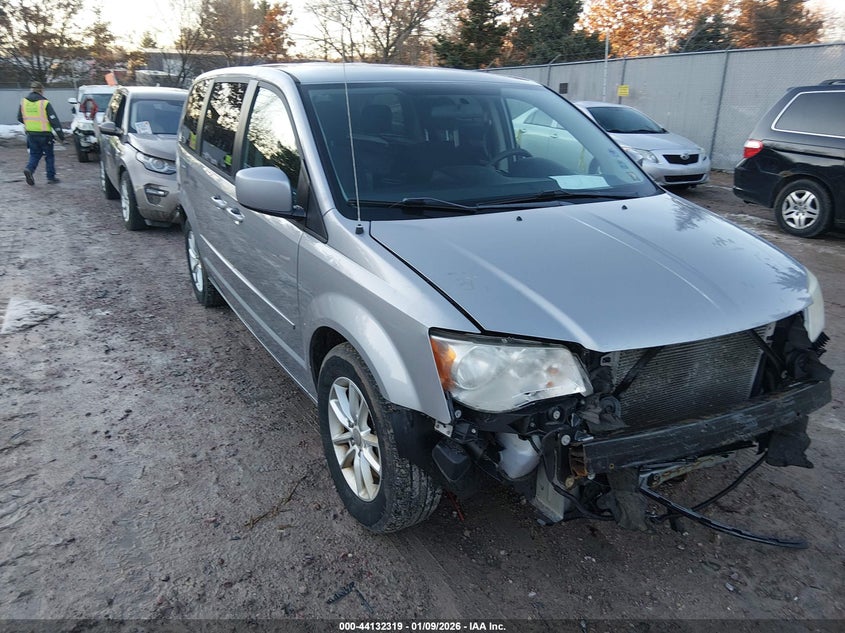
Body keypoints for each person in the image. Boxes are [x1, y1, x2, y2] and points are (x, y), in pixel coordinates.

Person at [18, 80, 66, 185]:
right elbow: (54, 120)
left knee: (34, 154)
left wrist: (30, 123)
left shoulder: (23, 102)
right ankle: (51, 177)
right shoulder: (45, 103)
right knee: (49, 156)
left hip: (31, 134)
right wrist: (61, 136)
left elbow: (20, 118)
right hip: (45, 135)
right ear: (41, 90)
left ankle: (29, 169)